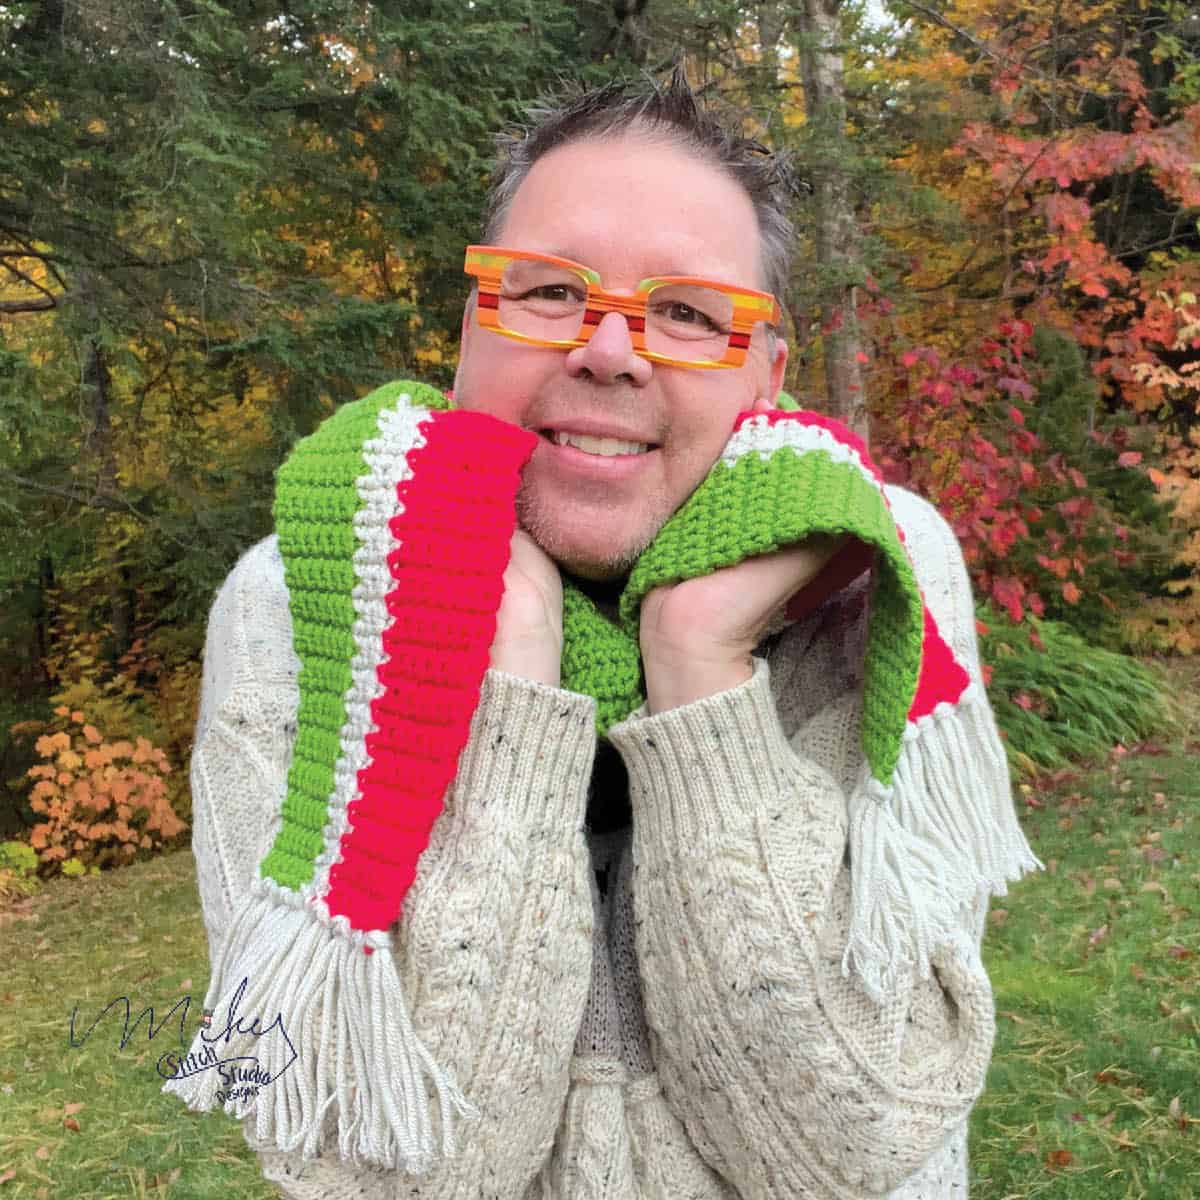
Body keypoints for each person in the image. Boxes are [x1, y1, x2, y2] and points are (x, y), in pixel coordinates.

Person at [186, 70, 1037, 1199]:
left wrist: (701, 671)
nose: (610, 352)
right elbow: (366, 1172)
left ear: (766, 377)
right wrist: (509, 671)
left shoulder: (878, 579)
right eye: (546, 291)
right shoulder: (296, 600)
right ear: (468, 330)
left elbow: (864, 1139)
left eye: (687, 313)